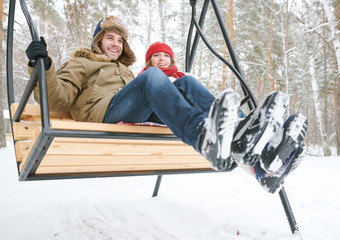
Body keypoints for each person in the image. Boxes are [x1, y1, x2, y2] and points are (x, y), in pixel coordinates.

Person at [26, 16, 307, 193]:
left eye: (120, 40)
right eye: (109, 38)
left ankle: (259, 155)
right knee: (152, 76)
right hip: (104, 115)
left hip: (133, 114)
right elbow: (57, 100)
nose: (115, 44)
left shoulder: (124, 71)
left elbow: (151, 95)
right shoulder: (82, 61)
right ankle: (203, 137)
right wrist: (43, 65)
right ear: (98, 41)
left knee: (187, 83)